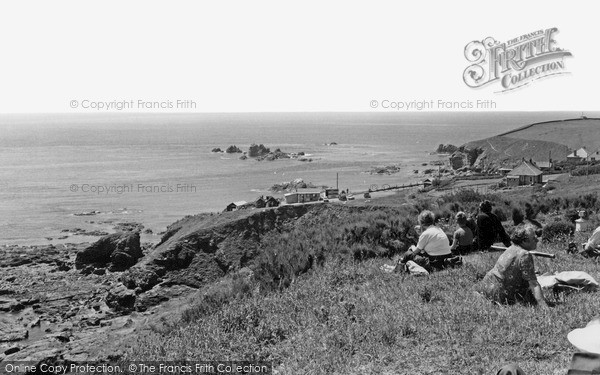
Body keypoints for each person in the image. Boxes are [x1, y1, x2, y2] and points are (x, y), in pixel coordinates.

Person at [478, 225, 548, 307]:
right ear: (524, 241)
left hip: (488, 289)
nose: (537, 240)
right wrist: (544, 306)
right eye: (533, 238)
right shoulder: (525, 255)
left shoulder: (511, 248)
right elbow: (533, 284)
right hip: (503, 296)